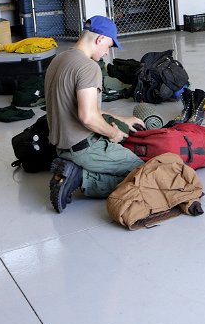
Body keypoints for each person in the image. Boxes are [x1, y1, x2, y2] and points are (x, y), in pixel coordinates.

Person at [45, 15, 144, 213]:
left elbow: (85, 108)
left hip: (61, 146)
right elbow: (88, 117)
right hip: (83, 148)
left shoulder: (59, 59)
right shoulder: (89, 67)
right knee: (141, 172)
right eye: (108, 45)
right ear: (99, 39)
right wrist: (112, 133)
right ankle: (80, 177)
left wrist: (122, 119)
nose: (107, 52)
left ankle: (74, 169)